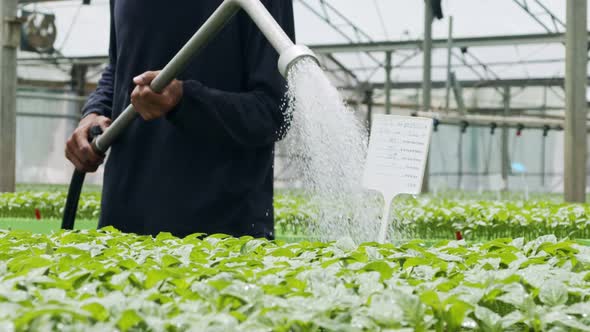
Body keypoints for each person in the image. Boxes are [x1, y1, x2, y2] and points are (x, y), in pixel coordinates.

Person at [65, 0, 295, 240]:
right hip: (123, 229)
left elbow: (273, 110)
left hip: (220, 243)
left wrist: (185, 100)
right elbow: (119, 67)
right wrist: (93, 113)